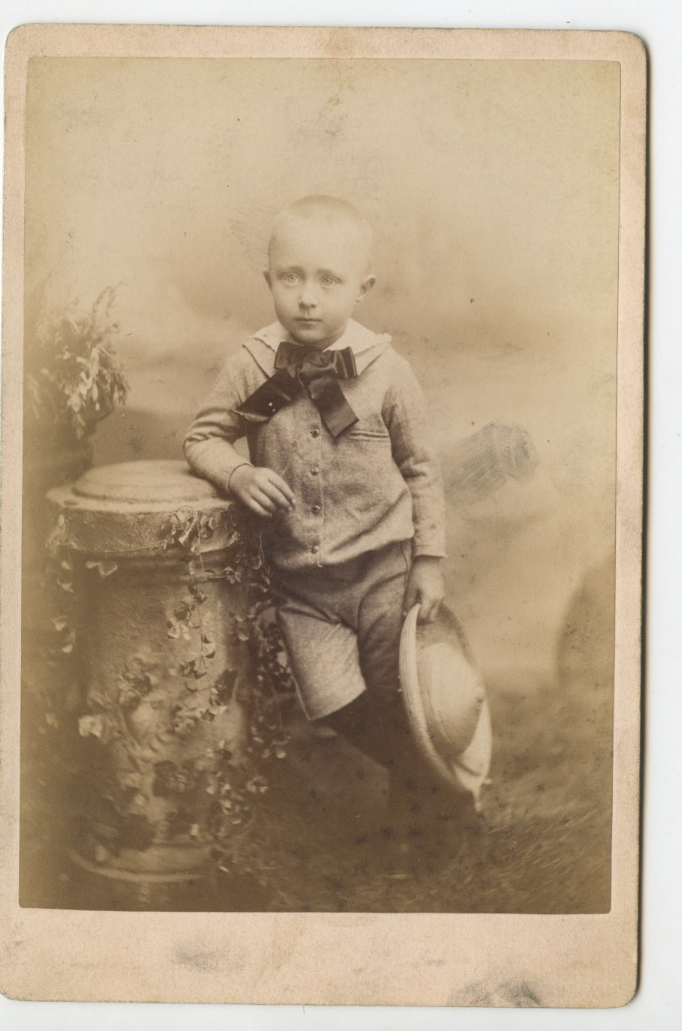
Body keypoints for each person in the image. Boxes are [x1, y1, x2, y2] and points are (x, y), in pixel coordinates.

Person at [184, 195, 474, 873]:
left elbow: (422, 468)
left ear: (361, 287)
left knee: (396, 696)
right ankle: (437, 788)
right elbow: (203, 437)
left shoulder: (385, 370)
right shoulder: (256, 365)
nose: (307, 297)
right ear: (268, 279)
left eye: (328, 280)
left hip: (382, 573)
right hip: (303, 587)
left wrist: (428, 560)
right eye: (290, 277)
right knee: (335, 702)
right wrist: (237, 473)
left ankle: (421, 817)